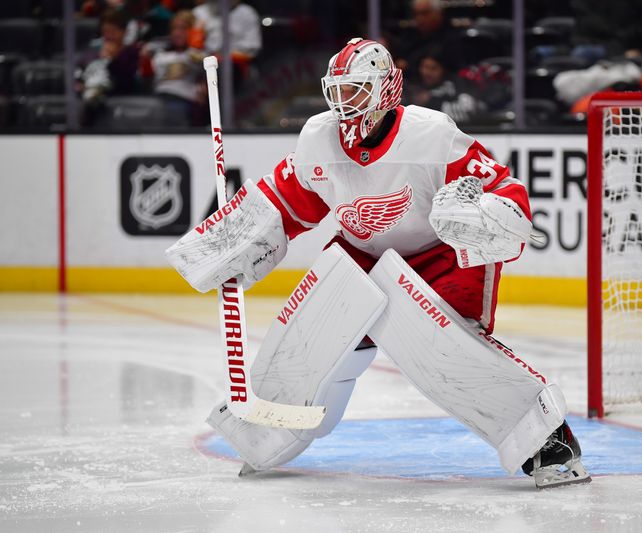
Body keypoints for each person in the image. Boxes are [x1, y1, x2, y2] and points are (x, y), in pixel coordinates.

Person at [165, 38, 590, 489]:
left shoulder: (433, 134)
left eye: (357, 91)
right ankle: (272, 433)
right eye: (339, 91)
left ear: (386, 90)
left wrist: (488, 214)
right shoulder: (318, 138)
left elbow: (503, 190)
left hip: (440, 256)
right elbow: (283, 201)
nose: (345, 103)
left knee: (441, 350)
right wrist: (230, 241)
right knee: (309, 337)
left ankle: (546, 439)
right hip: (361, 254)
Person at [141, 10, 206, 126]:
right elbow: (147, 78)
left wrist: (196, 36)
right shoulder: (160, 54)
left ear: (191, 31)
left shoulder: (197, 54)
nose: (177, 33)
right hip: (157, 99)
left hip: (183, 101)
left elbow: (204, 65)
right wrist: (145, 60)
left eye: (182, 29)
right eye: (174, 29)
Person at [404, 48, 484, 123]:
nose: (426, 73)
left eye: (433, 68)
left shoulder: (457, 85)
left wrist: (431, 101)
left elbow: (468, 110)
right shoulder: (412, 85)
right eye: (424, 67)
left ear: (443, 69)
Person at [191, 0, 262, 86]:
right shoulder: (199, 12)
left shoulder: (247, 13)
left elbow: (252, 47)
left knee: (225, 70)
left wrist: (222, 57)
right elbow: (193, 47)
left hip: (236, 64)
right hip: (202, 63)